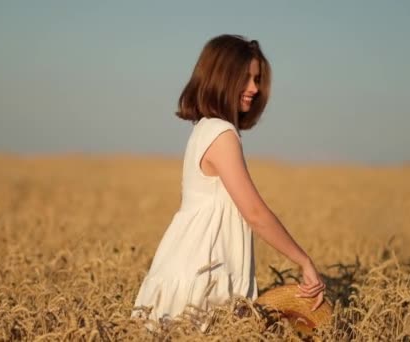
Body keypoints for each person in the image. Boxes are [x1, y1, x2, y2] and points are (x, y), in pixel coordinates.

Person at [131, 34, 326, 327]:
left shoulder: (205, 129)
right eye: (245, 79)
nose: (254, 88)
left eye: (256, 79)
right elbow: (255, 213)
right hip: (203, 276)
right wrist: (304, 261)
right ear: (221, 78)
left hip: (188, 267)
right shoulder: (222, 135)